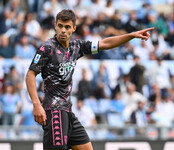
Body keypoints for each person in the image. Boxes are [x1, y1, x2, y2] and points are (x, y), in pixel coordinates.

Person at [25, 9, 154, 150]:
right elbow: (30, 75)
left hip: (67, 110)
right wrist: (37, 104)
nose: (63, 30)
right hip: (53, 110)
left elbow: (105, 43)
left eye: (67, 27)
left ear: (74, 28)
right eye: (60, 26)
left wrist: (130, 36)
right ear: (55, 26)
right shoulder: (47, 48)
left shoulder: (76, 47)